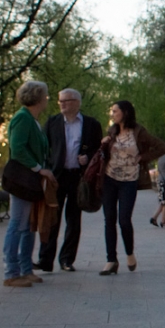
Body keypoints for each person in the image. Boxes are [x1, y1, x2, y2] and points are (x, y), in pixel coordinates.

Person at [34, 89, 102, 273]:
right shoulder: (52, 122)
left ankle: (67, 259)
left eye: (66, 100)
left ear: (77, 102)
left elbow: (98, 149)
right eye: (60, 101)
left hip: (79, 178)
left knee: (73, 220)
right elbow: (43, 147)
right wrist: (45, 168)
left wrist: (87, 156)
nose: (62, 104)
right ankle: (45, 260)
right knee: (52, 219)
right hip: (57, 177)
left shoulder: (91, 124)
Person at [99, 100, 165, 275]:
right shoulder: (112, 130)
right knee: (109, 219)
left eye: (115, 111)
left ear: (125, 112)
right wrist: (104, 142)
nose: (112, 114)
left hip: (129, 181)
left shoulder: (139, 132)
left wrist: (143, 157)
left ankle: (129, 254)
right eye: (112, 111)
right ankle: (111, 260)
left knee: (124, 220)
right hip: (109, 178)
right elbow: (105, 152)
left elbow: (162, 147)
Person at [3, 81, 56, 288]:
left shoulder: (33, 120)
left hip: (30, 181)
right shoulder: (22, 118)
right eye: (45, 96)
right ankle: (11, 272)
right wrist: (38, 168)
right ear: (37, 97)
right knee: (17, 224)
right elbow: (18, 149)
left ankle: (25, 269)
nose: (47, 99)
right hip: (21, 180)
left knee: (27, 226)